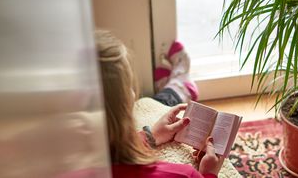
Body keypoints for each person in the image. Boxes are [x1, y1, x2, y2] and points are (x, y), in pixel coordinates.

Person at [95, 30, 224, 178]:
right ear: (122, 104)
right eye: (128, 86)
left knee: (162, 98)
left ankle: (176, 86)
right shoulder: (183, 175)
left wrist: (151, 136)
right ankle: (179, 86)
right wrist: (209, 174)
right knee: (159, 100)